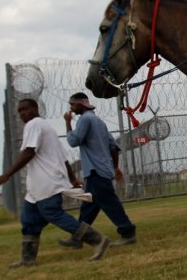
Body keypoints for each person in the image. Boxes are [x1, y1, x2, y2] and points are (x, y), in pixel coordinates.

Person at [0, 99, 110, 267]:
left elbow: (28, 152)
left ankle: (98, 240)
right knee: (29, 220)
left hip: (46, 183)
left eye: (25, 109)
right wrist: (73, 179)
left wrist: (7, 175)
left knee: (53, 214)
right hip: (37, 187)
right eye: (19, 111)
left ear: (35, 109)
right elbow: (64, 159)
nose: (22, 113)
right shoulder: (48, 128)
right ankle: (28, 259)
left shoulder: (34, 125)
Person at [58, 93, 137, 248]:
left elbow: (74, 141)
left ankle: (127, 232)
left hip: (95, 170)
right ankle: (77, 237)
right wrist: (114, 167)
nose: (71, 109)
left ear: (80, 104)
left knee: (109, 203)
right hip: (102, 169)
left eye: (72, 105)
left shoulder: (85, 119)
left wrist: (68, 124)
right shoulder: (98, 121)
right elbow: (114, 146)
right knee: (89, 206)